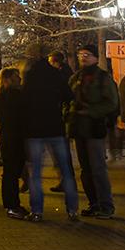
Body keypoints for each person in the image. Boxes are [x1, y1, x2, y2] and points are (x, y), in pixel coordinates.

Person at [21, 44, 78, 222]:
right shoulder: (56, 75)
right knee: (65, 170)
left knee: (36, 173)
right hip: (55, 127)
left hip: (35, 129)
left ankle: (37, 210)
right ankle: (72, 209)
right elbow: (69, 96)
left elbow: (24, 101)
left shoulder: (30, 76)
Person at [69, 44, 118, 219]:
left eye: (87, 54)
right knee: (85, 169)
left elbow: (111, 102)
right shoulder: (75, 78)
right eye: (81, 54)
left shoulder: (102, 78)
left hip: (94, 127)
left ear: (96, 58)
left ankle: (106, 205)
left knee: (97, 167)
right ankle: (93, 202)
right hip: (78, 127)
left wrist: (90, 111)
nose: (83, 57)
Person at [0, 68, 27, 219]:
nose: (19, 79)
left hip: (8, 136)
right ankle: (12, 204)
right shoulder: (14, 96)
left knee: (11, 171)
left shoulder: (1, 97)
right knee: (12, 172)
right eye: (16, 76)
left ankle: (12, 204)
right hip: (15, 137)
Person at [46, 51, 77, 194]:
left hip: (61, 120)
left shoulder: (62, 77)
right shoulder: (65, 75)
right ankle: (66, 180)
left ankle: (67, 181)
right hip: (60, 119)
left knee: (61, 153)